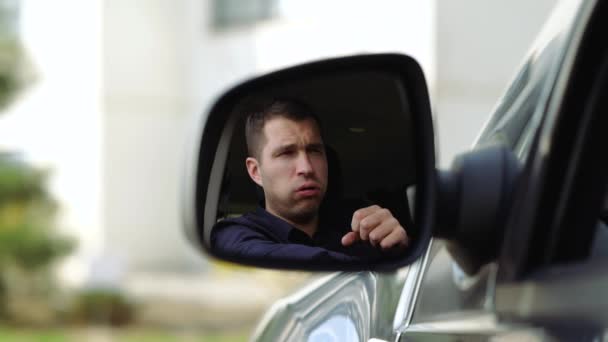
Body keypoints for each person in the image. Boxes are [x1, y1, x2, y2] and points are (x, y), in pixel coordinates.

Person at [211, 98, 410, 264]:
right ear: (255, 172)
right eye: (287, 153)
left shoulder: (361, 227)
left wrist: (399, 248)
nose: (306, 168)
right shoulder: (234, 234)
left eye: (314, 151)